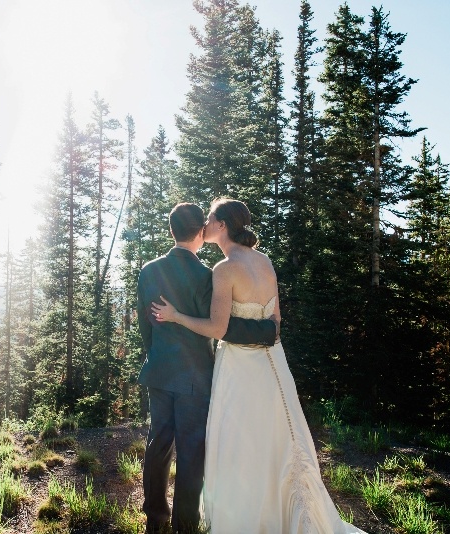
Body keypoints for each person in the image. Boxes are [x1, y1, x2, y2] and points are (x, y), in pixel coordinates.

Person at [152, 198, 367, 534]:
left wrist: (176, 316)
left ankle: (247, 517)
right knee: (276, 439)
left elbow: (217, 328)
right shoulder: (264, 261)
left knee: (241, 441)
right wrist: (263, 334)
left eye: (209, 219)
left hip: (239, 366)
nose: (204, 225)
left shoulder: (224, 270)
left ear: (222, 225)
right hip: (272, 364)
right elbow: (276, 321)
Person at [137, 202, 279, 534]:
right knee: (191, 452)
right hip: (195, 377)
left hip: (158, 372)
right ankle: (185, 526)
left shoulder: (148, 271)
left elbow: (146, 326)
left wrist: (157, 355)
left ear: (172, 231)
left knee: (158, 445)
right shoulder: (206, 275)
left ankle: (155, 521)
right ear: (201, 232)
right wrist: (267, 331)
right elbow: (220, 327)